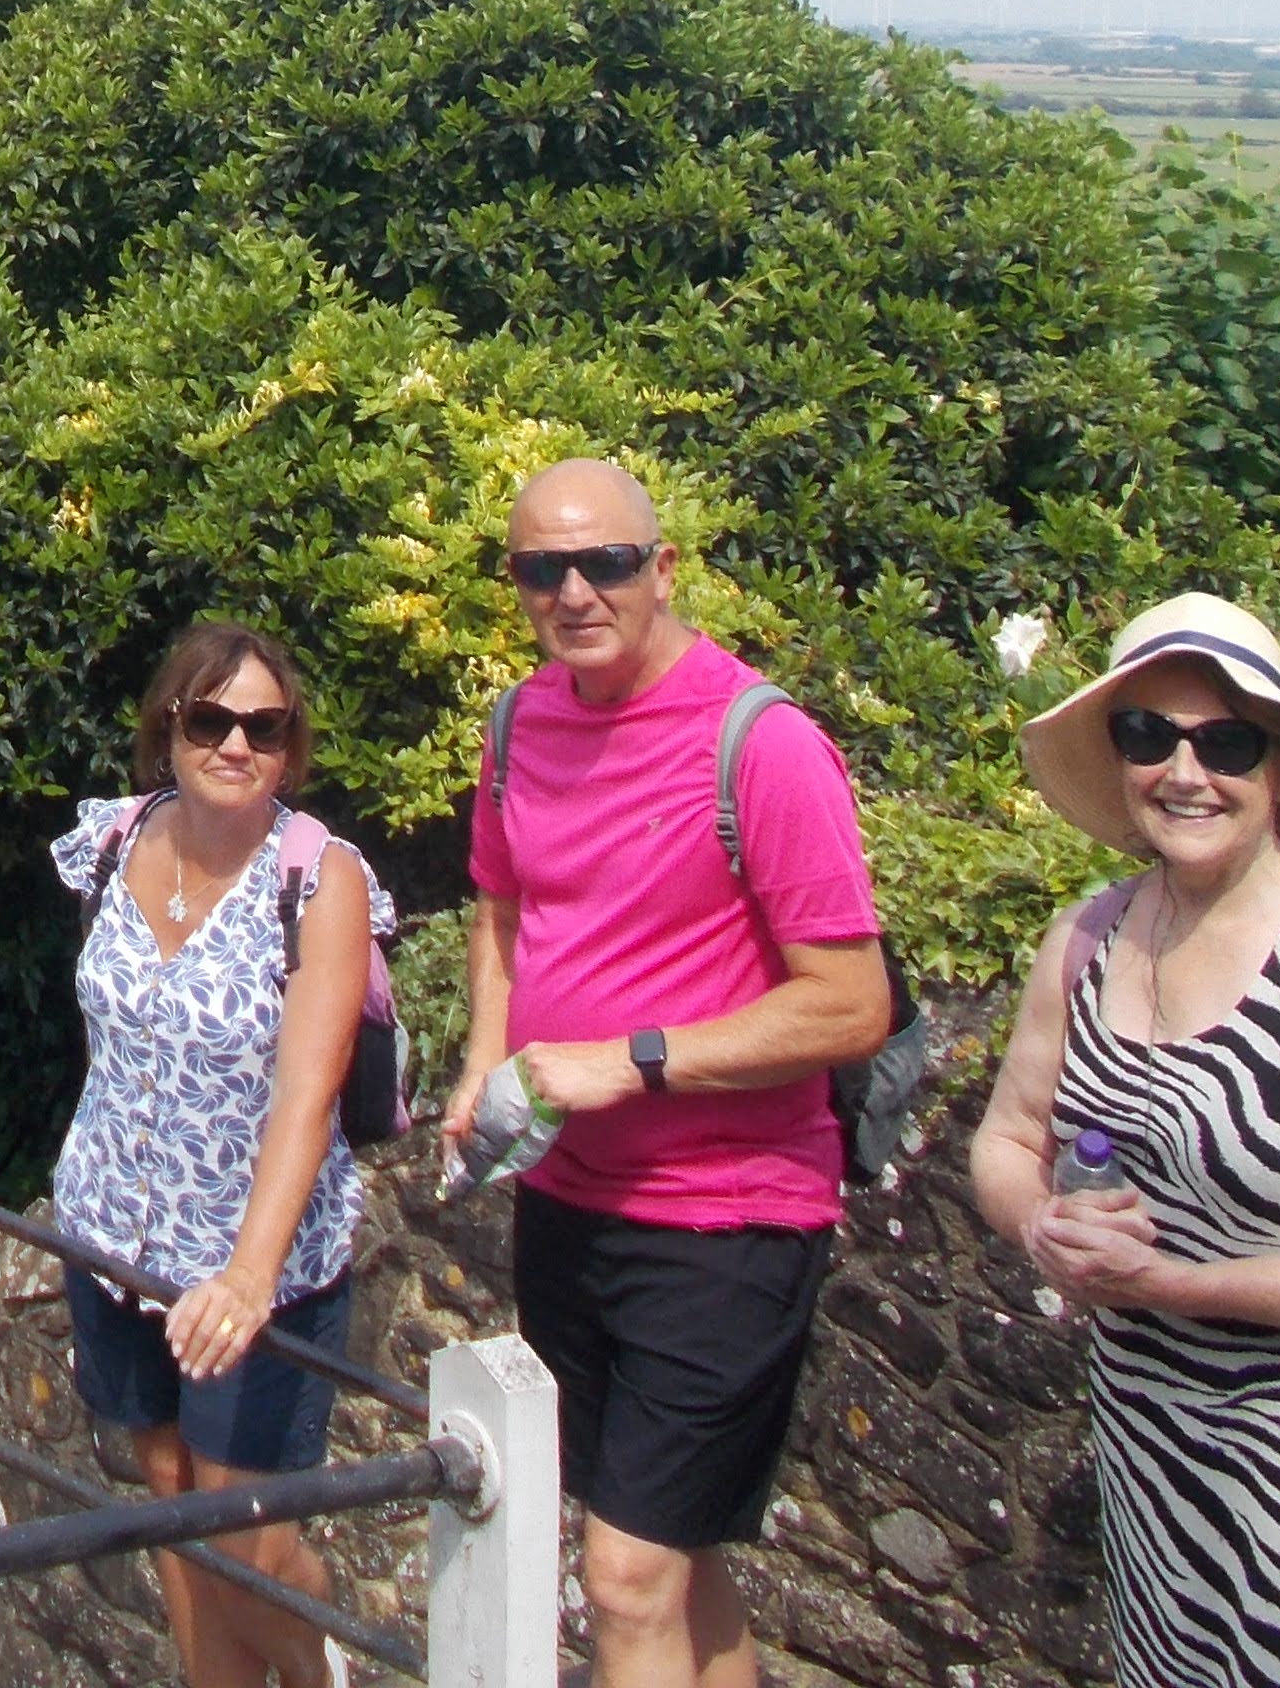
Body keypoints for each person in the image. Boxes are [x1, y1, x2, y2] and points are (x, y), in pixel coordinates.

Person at [439, 459, 896, 1688]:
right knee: (675, 1556)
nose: (575, 592)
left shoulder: (763, 743)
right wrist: (483, 1061)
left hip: (726, 1214)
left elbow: (852, 1004)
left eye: (606, 563)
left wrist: (633, 1060)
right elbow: (501, 908)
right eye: (543, 570)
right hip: (566, 1201)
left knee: (624, 1577)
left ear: (664, 568)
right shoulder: (518, 725)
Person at [968, 595, 1280, 1688]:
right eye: (1148, 735)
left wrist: (1173, 1287)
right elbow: (1009, 1139)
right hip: (1152, 1437)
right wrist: (1044, 1225)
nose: (1184, 772)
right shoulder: (1087, 941)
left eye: (1228, 743)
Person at [47, 621, 391, 1688]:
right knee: (171, 1509)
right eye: (210, 720)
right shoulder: (115, 841)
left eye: (263, 727)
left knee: (246, 1541)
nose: (235, 744)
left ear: (289, 747)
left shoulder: (317, 880)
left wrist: (246, 1277)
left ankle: (325, 1675)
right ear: (169, 728)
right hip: (112, 1238)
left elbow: (307, 1094)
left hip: (252, 1272)